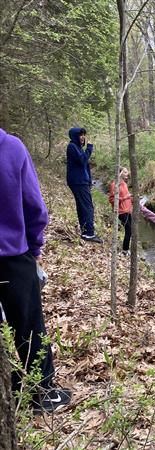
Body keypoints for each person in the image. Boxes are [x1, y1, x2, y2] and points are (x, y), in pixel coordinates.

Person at [0, 128, 71, 412]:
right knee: (29, 328)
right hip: (15, 257)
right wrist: (35, 249)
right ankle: (43, 394)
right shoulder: (13, 148)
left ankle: (14, 389)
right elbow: (34, 207)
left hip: (15, 255)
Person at [66, 127, 102, 243]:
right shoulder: (72, 147)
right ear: (75, 136)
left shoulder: (79, 148)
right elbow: (82, 160)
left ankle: (85, 231)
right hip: (77, 181)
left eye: (84, 135)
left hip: (82, 182)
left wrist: (89, 181)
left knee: (83, 206)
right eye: (80, 135)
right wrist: (90, 148)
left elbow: (86, 166)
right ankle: (89, 233)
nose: (83, 137)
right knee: (88, 207)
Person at [108, 167, 133, 255]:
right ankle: (125, 251)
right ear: (120, 173)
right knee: (128, 230)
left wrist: (132, 198)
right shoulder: (114, 184)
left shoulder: (124, 184)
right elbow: (112, 200)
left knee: (131, 230)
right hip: (121, 211)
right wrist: (126, 197)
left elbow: (127, 197)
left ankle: (127, 249)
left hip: (128, 211)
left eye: (127, 172)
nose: (127, 174)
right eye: (125, 172)